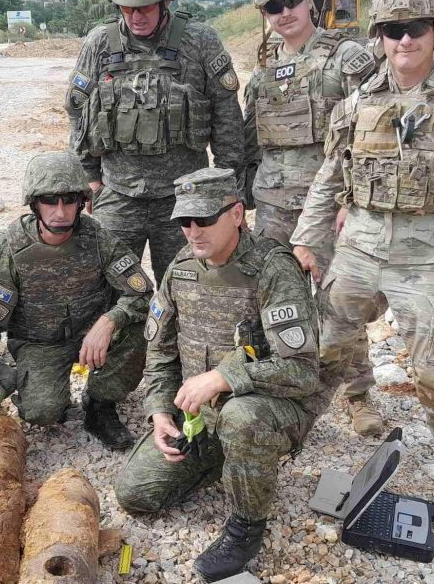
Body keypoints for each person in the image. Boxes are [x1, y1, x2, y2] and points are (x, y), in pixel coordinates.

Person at [291, 0, 434, 505]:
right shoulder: (358, 102)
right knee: (328, 344)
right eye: (393, 30)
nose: (405, 40)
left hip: (431, 256)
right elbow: (329, 176)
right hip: (361, 248)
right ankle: (317, 419)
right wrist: (307, 240)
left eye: (416, 28)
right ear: (380, 35)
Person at [115, 168, 319, 582]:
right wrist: (158, 412)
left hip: (267, 409)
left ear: (237, 214)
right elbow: (161, 350)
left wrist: (224, 377)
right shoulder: (183, 266)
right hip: (201, 415)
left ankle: (246, 525)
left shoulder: (273, 270)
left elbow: (301, 372)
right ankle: (227, 458)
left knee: (242, 419)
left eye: (204, 220)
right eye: (184, 222)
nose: (193, 232)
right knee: (136, 494)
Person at [244, 0, 384, 435]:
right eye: (271, 7)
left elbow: (371, 134)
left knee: (337, 304)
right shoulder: (264, 74)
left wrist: (350, 200)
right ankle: (282, 383)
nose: (283, 13)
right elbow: (252, 146)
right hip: (273, 209)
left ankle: (358, 393)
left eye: (290, 1)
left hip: (326, 209)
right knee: (275, 300)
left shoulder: (347, 58)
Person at [65, 0, 243, 286]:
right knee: (109, 291)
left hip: (186, 197)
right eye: (127, 8)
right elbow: (79, 114)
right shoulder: (100, 44)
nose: (136, 17)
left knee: (190, 288)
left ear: (165, 1)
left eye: (144, 7)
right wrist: (89, 180)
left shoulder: (199, 41)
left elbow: (227, 118)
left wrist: (228, 192)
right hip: (117, 195)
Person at [0, 152, 152, 450]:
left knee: (140, 325)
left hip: (92, 338)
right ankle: (28, 380)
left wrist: (109, 321)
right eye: (50, 201)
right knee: (42, 413)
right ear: (35, 204)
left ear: (81, 203)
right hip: (40, 344)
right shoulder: (11, 247)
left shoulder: (97, 238)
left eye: (69, 201)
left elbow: (142, 293)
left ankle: (100, 405)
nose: (60, 211)